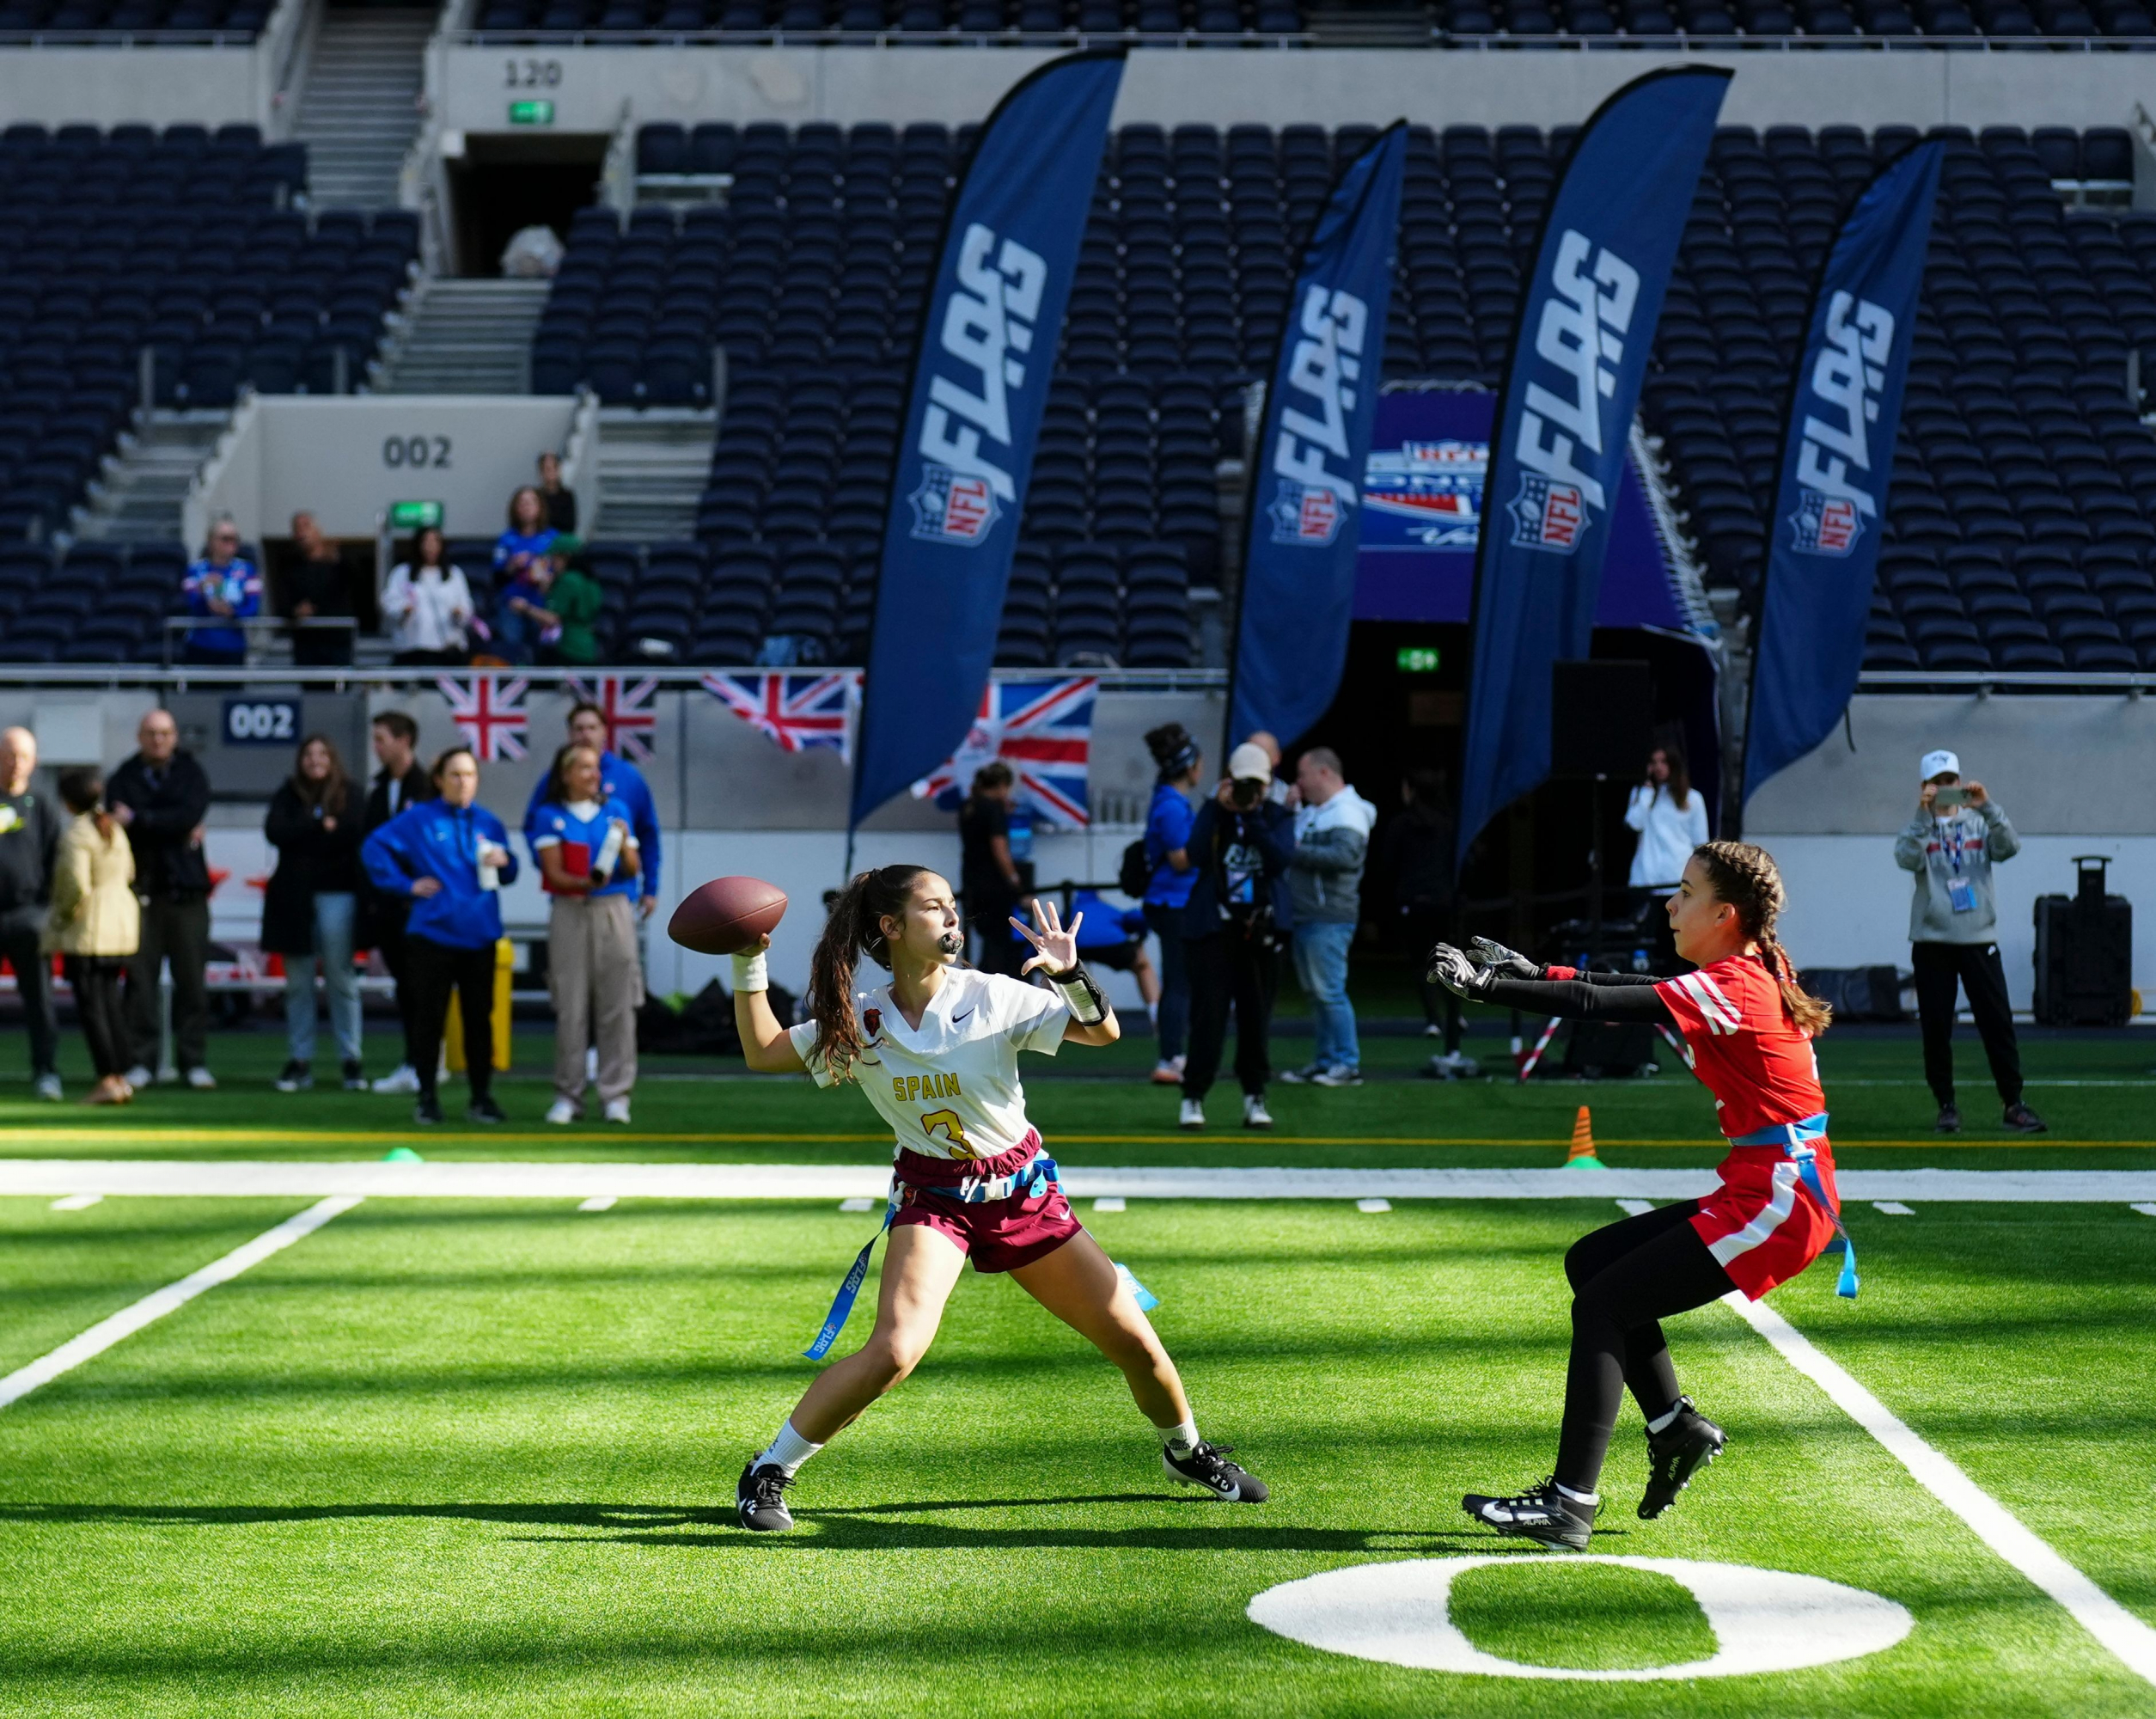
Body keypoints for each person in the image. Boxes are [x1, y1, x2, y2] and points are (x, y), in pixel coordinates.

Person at [729, 868, 1267, 1533]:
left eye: (954, 907)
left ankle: (1185, 1453)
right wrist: (747, 962)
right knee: (894, 1351)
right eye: (934, 909)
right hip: (934, 1197)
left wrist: (1070, 975)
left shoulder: (992, 996)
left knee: (1136, 1342)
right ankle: (769, 1470)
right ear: (890, 928)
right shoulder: (861, 1017)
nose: (952, 919)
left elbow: (1102, 1035)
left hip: (1022, 1193)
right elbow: (763, 1052)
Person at [1429, 841, 1848, 1550]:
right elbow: (1631, 988)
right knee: (1592, 1266)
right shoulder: (1746, 970)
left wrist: (1490, 987)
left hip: (1780, 1195)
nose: (1669, 903)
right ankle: (1674, 1427)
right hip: (1767, 1184)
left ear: (1723, 913)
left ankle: (1568, 1504)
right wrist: (1542, 972)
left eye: (1684, 892)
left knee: (1603, 1303)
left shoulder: (1739, 984)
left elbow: (1603, 1001)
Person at [362, 746, 518, 1126]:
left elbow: (509, 874)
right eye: (455, 775)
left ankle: (481, 1097)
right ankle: (427, 1097)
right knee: (428, 1020)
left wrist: (507, 863)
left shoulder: (490, 823)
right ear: (439, 780)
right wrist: (405, 884)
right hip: (431, 935)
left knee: (479, 1021)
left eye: (469, 775)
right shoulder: (419, 819)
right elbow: (373, 847)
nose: (463, 782)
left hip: (479, 934)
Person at [1893, 749, 2045, 1135]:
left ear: (1960, 783)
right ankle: (1946, 1105)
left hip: (1979, 938)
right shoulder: (1919, 828)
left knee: (1997, 1023)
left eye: (1950, 781)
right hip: (1932, 941)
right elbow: (1905, 859)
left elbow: (2009, 847)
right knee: (1937, 1027)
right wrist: (1921, 815)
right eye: (1937, 783)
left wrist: (1989, 806)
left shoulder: (1979, 823)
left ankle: (2014, 1103)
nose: (1946, 788)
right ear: (1925, 787)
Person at [1178, 742, 1295, 1133]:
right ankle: (1193, 1097)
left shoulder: (1277, 816)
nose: (1250, 793)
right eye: (1244, 785)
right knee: (1208, 1016)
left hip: (1260, 932)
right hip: (1214, 931)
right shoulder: (1214, 816)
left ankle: (1255, 1096)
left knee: (1256, 1018)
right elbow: (1192, 855)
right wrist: (1216, 809)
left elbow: (1281, 860)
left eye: (1256, 786)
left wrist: (1255, 818)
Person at [530, 742, 643, 1125]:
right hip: (570, 912)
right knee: (571, 1007)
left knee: (617, 1007)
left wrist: (624, 841)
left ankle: (616, 1096)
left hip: (614, 911)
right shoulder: (549, 816)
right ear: (566, 775)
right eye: (583, 768)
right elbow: (553, 871)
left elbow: (632, 868)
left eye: (595, 768)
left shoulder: (617, 811)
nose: (593, 775)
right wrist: (586, 880)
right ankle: (568, 1095)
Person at [107, 709, 214, 1090]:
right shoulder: (123, 776)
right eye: (151, 733)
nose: (158, 740)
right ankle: (141, 1061)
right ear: (140, 736)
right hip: (142, 894)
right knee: (140, 983)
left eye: (165, 733)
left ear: (175, 737)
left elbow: (188, 814)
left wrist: (140, 819)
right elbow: (123, 818)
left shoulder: (191, 774)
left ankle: (193, 1061)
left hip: (186, 894)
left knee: (192, 983)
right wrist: (167, 823)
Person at [264, 735, 367, 1094]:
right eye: (308, 754)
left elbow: (353, 833)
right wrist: (316, 824)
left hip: (339, 894)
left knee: (342, 979)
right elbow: (275, 831)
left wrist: (307, 833)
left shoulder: (351, 794)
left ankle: (351, 1059)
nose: (315, 760)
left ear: (333, 758)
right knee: (298, 983)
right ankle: (300, 1059)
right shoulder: (288, 794)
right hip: (294, 899)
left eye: (323, 753)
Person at [1280, 746, 1375, 1089]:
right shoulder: (1320, 811)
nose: (1299, 782)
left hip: (1329, 916)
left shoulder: (1347, 812)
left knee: (1329, 992)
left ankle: (1346, 1063)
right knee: (1318, 993)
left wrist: (1292, 851)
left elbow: (1345, 856)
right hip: (1311, 916)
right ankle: (1326, 1061)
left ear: (1324, 773)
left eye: (1303, 775)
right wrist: (1292, 812)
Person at [43, 768, 137, 1106]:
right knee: (111, 1003)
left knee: (92, 1007)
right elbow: (129, 872)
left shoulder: (77, 834)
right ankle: (121, 1076)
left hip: (90, 928)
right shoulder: (113, 828)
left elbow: (74, 885)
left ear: (67, 802)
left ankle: (107, 1077)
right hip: (121, 924)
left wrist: (60, 919)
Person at [521, 702, 662, 921]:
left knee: (619, 955)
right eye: (579, 728)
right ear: (569, 733)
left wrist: (650, 888)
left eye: (592, 727)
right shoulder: (554, 780)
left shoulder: (628, 779)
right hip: (570, 897)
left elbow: (647, 834)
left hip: (617, 892)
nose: (585, 734)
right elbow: (533, 827)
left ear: (604, 731)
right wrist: (555, 868)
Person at [1381, 766, 1474, 1074]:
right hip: (1444, 901)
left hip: (1415, 903)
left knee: (1423, 962)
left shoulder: (1403, 824)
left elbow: (1387, 862)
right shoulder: (1450, 824)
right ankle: (1453, 1015)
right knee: (1447, 957)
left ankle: (1436, 1019)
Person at [363, 712, 435, 1095]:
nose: (377, 748)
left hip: (417, 909)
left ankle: (423, 1061)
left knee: (421, 987)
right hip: (389, 906)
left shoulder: (425, 789)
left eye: (381, 739)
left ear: (404, 740)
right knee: (406, 988)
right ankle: (416, 1060)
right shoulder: (379, 790)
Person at [0, 726, 62, 1098]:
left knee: (40, 999)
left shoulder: (42, 805)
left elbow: (56, 859)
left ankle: (46, 1070)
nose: (15, 763)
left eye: (23, 756)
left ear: (34, 762)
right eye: (8, 755)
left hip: (28, 917)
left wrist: (45, 911)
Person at [1140, 722, 1201, 1087]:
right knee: (1178, 983)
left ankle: (1172, 1054)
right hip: (1173, 902)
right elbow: (1180, 859)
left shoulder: (1167, 800)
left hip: (1172, 901)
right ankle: (1170, 1057)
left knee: (1179, 982)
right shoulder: (1172, 805)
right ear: (1191, 766)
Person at [957, 762, 1027, 978]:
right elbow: (1000, 850)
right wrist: (1016, 881)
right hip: (994, 886)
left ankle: (977, 983)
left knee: (985, 939)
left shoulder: (968, 807)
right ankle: (988, 987)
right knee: (999, 943)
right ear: (1002, 785)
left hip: (972, 882)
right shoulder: (993, 809)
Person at [382, 528, 474, 667]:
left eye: (435, 541)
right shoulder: (402, 573)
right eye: (426, 541)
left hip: (445, 648)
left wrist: (459, 612)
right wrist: (403, 609)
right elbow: (389, 602)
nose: (430, 547)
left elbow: (466, 606)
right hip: (413, 646)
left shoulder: (454, 574)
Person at [180, 518, 262, 666]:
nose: (231, 543)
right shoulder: (195, 570)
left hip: (234, 645)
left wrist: (233, 612)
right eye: (225, 539)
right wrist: (202, 591)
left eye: (235, 539)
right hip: (201, 644)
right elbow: (190, 605)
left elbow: (253, 608)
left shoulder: (247, 570)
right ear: (211, 541)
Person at [282, 511, 354, 668]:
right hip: (307, 644)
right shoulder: (291, 567)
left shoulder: (338, 564)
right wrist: (296, 612)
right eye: (297, 528)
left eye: (306, 526)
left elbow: (357, 590)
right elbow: (283, 604)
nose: (302, 533)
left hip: (336, 641)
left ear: (318, 530)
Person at [493, 554, 559, 666]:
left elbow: (552, 617)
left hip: (537, 609)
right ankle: (516, 666)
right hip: (512, 604)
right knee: (512, 635)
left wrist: (545, 582)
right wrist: (513, 564)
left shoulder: (547, 560)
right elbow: (500, 574)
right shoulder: (513, 587)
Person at [544, 543, 604, 666]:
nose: (552, 563)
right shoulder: (591, 581)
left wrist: (525, 608)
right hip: (588, 645)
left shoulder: (567, 580)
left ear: (566, 558)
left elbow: (552, 618)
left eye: (555, 558)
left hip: (568, 645)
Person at [494, 486, 559, 590]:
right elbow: (497, 578)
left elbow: (562, 570)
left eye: (531, 503)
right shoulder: (506, 539)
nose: (526, 507)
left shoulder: (553, 537)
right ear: (515, 509)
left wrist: (551, 578)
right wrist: (512, 565)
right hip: (515, 597)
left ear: (540, 507)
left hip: (546, 594)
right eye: (522, 503)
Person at [537, 450, 577, 535]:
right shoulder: (537, 497)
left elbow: (570, 525)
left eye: (554, 468)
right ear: (541, 472)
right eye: (547, 469)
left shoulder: (567, 496)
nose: (551, 472)